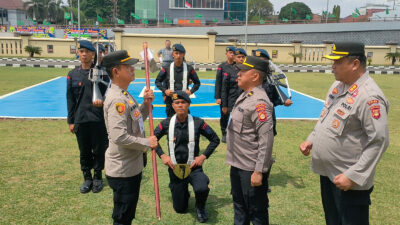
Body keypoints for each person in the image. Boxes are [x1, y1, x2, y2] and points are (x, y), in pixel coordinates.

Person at [299, 42, 389, 225]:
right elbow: (325, 117)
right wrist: (312, 139)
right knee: (333, 221)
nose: (333, 66)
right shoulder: (338, 86)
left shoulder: (370, 96)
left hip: (349, 181)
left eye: (338, 62)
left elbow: (379, 141)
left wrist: (353, 176)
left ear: (355, 64)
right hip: (329, 174)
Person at [102, 50, 158, 225]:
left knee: (127, 212)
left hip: (131, 165)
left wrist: (145, 105)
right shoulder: (117, 99)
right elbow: (119, 136)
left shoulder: (124, 94)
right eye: (128, 67)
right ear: (116, 71)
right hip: (123, 169)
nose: (133, 69)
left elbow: (135, 119)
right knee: (123, 215)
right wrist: (146, 143)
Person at [154, 91, 220, 223]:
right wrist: (162, 155)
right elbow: (153, 140)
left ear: (188, 104)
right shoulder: (166, 123)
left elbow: (215, 139)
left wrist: (203, 156)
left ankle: (200, 207)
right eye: (176, 103)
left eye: (183, 102)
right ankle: (178, 188)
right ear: (172, 105)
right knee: (180, 208)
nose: (180, 105)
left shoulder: (198, 122)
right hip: (175, 169)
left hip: (194, 167)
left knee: (201, 187)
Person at [226, 56, 274, 225]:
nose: (238, 74)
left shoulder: (259, 102)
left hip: (250, 169)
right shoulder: (247, 95)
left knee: (256, 212)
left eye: (243, 71)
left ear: (254, 76)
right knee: (240, 209)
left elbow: (266, 139)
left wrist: (259, 170)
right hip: (238, 165)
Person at [66, 40, 109, 194]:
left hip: (98, 119)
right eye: (81, 51)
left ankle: (97, 177)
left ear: (93, 54)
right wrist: (71, 121)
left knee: (99, 149)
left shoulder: (102, 73)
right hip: (81, 119)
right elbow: (70, 99)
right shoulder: (72, 74)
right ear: (78, 53)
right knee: (84, 151)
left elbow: (109, 93)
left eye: (87, 52)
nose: (84, 54)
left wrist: (102, 101)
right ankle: (87, 178)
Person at [253, 48, 293, 192]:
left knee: (266, 153)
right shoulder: (249, 79)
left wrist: (284, 101)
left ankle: (264, 181)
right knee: (250, 152)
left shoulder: (271, 82)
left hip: (268, 122)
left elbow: (276, 99)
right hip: (251, 122)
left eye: (262, 62)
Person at [155, 44, 201, 117]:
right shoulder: (166, 68)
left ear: (184, 54)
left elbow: (197, 83)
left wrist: (190, 91)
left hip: (184, 102)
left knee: (185, 124)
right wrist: (165, 91)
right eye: (176, 53)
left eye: (180, 53)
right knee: (171, 123)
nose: (178, 56)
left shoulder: (189, 68)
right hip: (171, 102)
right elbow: (157, 81)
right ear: (173, 54)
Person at [220, 48, 245, 141]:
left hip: (244, 101)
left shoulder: (249, 71)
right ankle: (225, 133)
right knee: (227, 118)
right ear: (235, 58)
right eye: (239, 57)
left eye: (243, 57)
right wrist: (224, 104)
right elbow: (224, 88)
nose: (241, 59)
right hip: (231, 100)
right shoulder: (229, 71)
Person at [215, 46, 236, 143]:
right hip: (224, 96)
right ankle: (224, 133)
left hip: (236, 95)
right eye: (230, 52)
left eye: (233, 53)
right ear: (226, 54)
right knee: (224, 115)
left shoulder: (238, 66)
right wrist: (218, 97)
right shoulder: (222, 67)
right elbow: (218, 82)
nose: (232, 54)